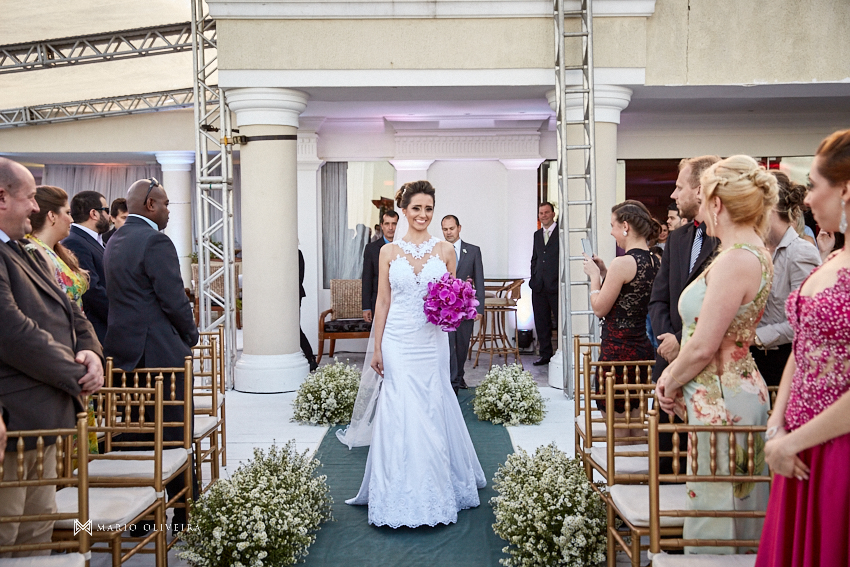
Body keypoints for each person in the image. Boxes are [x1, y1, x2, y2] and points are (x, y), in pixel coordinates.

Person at [341, 180, 486, 528]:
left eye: (429, 208)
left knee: (431, 404)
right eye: (417, 208)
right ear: (403, 211)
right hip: (397, 340)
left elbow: (456, 295)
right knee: (400, 406)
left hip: (431, 340)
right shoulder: (388, 252)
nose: (423, 214)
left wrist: (458, 310)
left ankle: (436, 484)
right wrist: (376, 347)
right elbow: (382, 301)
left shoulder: (445, 251)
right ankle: (396, 487)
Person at [657, 155, 777, 554]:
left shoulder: (736, 259)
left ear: (717, 204)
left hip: (725, 401)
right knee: (724, 504)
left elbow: (705, 344)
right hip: (723, 393)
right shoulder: (748, 251)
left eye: (705, 200)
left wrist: (668, 381)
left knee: (720, 511)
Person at [0, 158, 103, 556]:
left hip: (42, 420)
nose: (34, 208)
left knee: (37, 529)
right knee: (7, 534)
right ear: (3, 198)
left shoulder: (25, 250)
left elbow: (70, 309)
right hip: (14, 420)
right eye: (29, 198)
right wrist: (75, 373)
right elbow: (12, 332)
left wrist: (91, 352)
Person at [756, 130, 850, 567]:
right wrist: (778, 427)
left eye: (814, 185)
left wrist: (795, 441)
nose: (807, 198)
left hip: (838, 446)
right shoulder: (833, 258)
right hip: (796, 441)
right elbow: (806, 343)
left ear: (846, 190)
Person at [103, 177, 199, 530]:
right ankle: (183, 514)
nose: (170, 210)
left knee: (134, 434)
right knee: (173, 433)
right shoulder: (155, 241)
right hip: (158, 353)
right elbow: (173, 299)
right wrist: (190, 335)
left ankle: (140, 515)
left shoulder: (114, 240)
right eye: (166, 203)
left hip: (123, 351)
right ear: (149, 205)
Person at [649, 156, 720, 474]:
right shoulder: (676, 239)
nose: (674, 195)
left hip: (709, 367)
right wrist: (667, 338)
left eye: (679, 187)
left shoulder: (726, 241)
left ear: (700, 190)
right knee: (665, 462)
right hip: (668, 363)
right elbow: (658, 299)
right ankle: (659, 519)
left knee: (706, 464)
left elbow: (721, 309)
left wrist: (682, 342)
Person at [582, 200, 660, 438]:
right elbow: (630, 295)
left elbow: (600, 309)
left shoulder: (623, 263)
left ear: (625, 226)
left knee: (618, 432)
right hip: (642, 350)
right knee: (636, 423)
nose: (611, 231)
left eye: (613, 225)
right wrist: (606, 272)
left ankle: (621, 473)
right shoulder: (656, 260)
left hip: (617, 354)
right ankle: (641, 472)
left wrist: (595, 278)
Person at [751, 172, 821, 387]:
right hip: (751, 357)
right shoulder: (755, 249)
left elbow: (805, 320)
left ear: (768, 207)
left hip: (782, 359)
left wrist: (756, 336)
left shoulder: (801, 252)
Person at [441, 215, 485, 394]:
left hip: (466, 307)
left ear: (459, 228)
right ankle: (452, 382)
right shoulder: (439, 250)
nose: (448, 232)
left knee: (462, 344)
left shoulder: (473, 251)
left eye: (451, 228)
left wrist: (479, 308)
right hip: (445, 309)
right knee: (448, 344)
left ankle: (459, 375)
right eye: (445, 229)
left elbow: (480, 280)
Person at [26, 186, 89, 308]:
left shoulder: (56, 251)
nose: (71, 219)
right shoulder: (33, 252)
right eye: (67, 212)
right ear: (52, 216)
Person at [62, 191, 110, 344]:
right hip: (97, 327)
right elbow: (91, 288)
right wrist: (120, 317)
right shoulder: (75, 242)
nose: (109, 217)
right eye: (107, 211)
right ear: (94, 213)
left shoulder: (96, 240)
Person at [530, 202, 559, 366]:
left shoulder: (560, 234)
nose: (544, 215)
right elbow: (534, 258)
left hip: (555, 286)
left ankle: (561, 352)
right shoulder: (537, 234)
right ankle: (545, 354)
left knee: (558, 321)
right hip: (539, 285)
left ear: (553, 214)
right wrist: (533, 278)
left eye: (546, 212)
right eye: (541, 213)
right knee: (541, 322)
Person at [361, 210, 398, 323]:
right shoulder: (371, 249)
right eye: (387, 224)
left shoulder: (406, 248)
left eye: (394, 224)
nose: (390, 227)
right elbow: (367, 278)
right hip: (378, 302)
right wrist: (366, 307)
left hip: (400, 303)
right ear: (382, 226)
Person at [299, 249, 318, 371]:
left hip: (293, 294)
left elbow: (299, 277)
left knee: (293, 327)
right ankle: (310, 357)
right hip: (278, 297)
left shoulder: (297, 253)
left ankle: (310, 357)